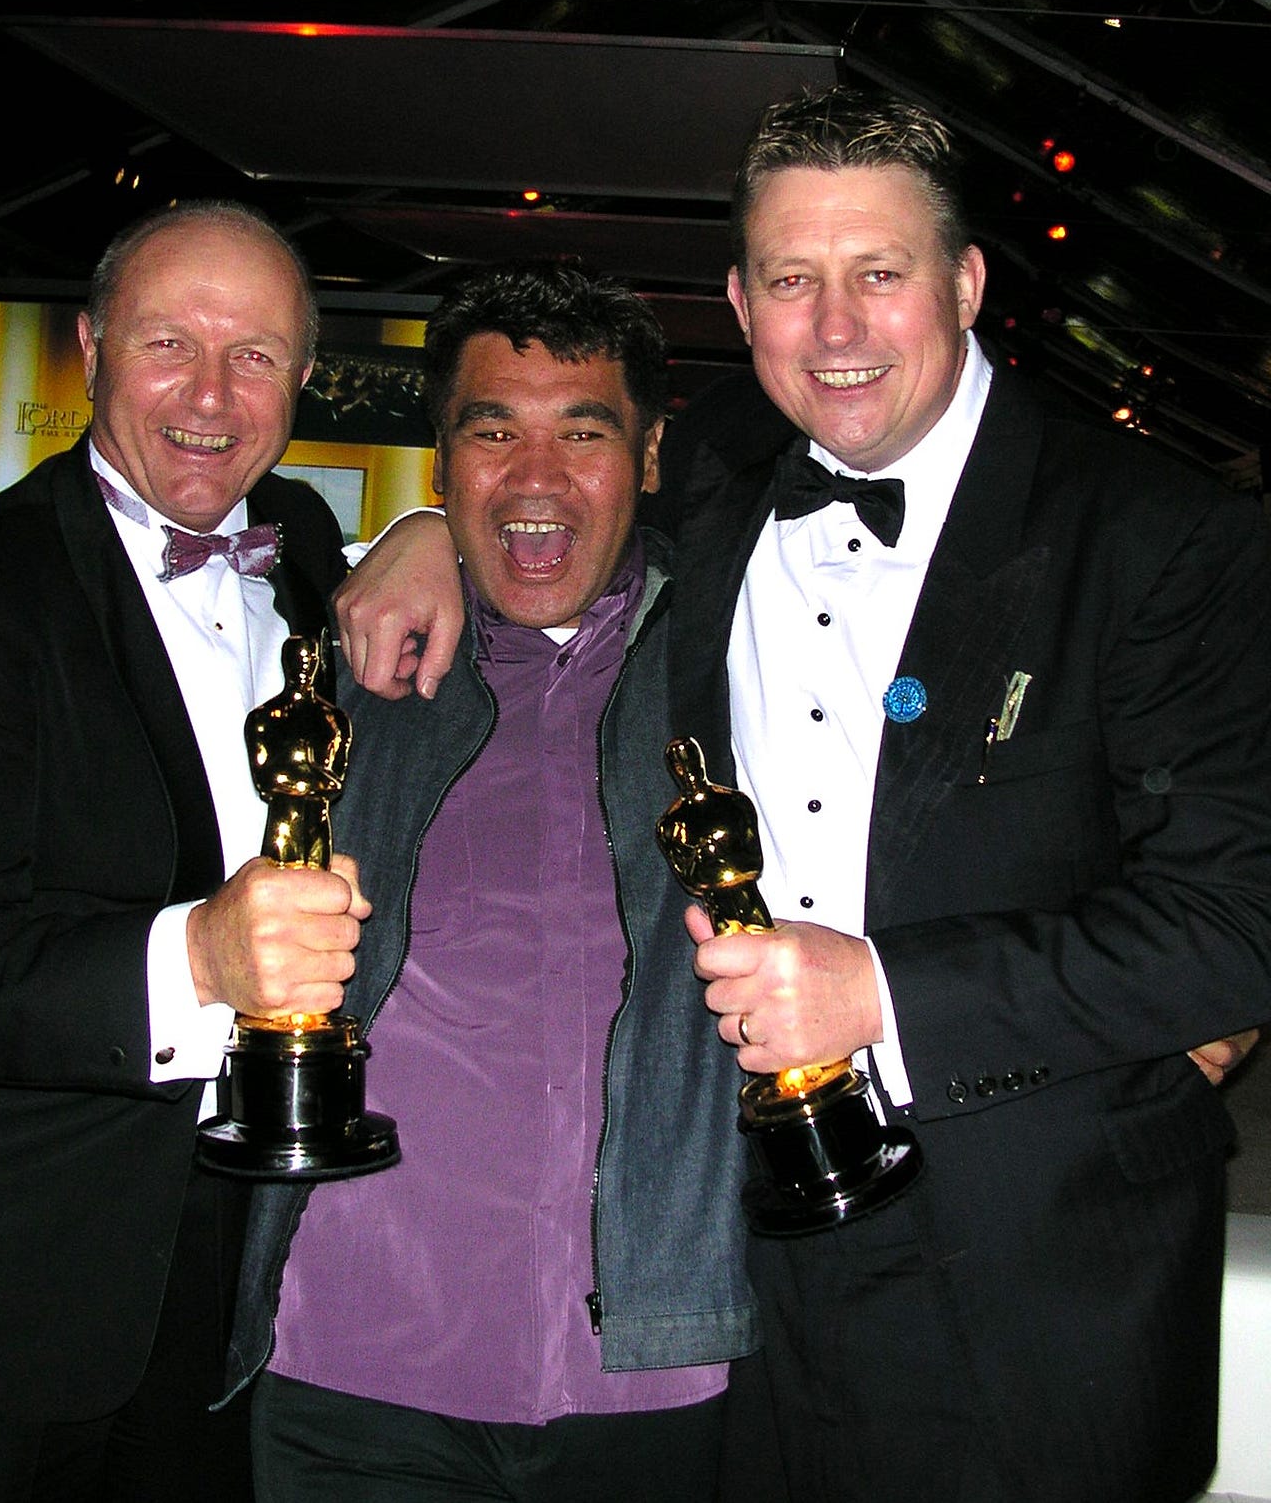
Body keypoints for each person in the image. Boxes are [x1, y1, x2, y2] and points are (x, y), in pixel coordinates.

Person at [334, 90, 1271, 1503]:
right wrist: (416, 533)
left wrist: (879, 994)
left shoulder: (1155, 534)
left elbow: (1236, 923)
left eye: (878, 272)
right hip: (748, 1277)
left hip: (1044, 1274)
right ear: (740, 302)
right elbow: (543, 485)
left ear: (966, 284)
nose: (835, 328)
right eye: (791, 280)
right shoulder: (712, 485)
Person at [0, 200, 364, 1503]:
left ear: (301, 377)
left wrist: (426, 541)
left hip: (233, 1276)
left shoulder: (300, 553)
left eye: (254, 355)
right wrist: (201, 957)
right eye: (169, 343)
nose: (211, 395)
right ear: (90, 348)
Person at [226, 260, 758, 1503]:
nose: (535, 477)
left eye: (584, 432)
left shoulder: (739, 658)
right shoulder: (345, 671)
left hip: (656, 1356)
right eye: (492, 431)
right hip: (358, 1350)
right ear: (440, 462)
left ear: (650, 455)